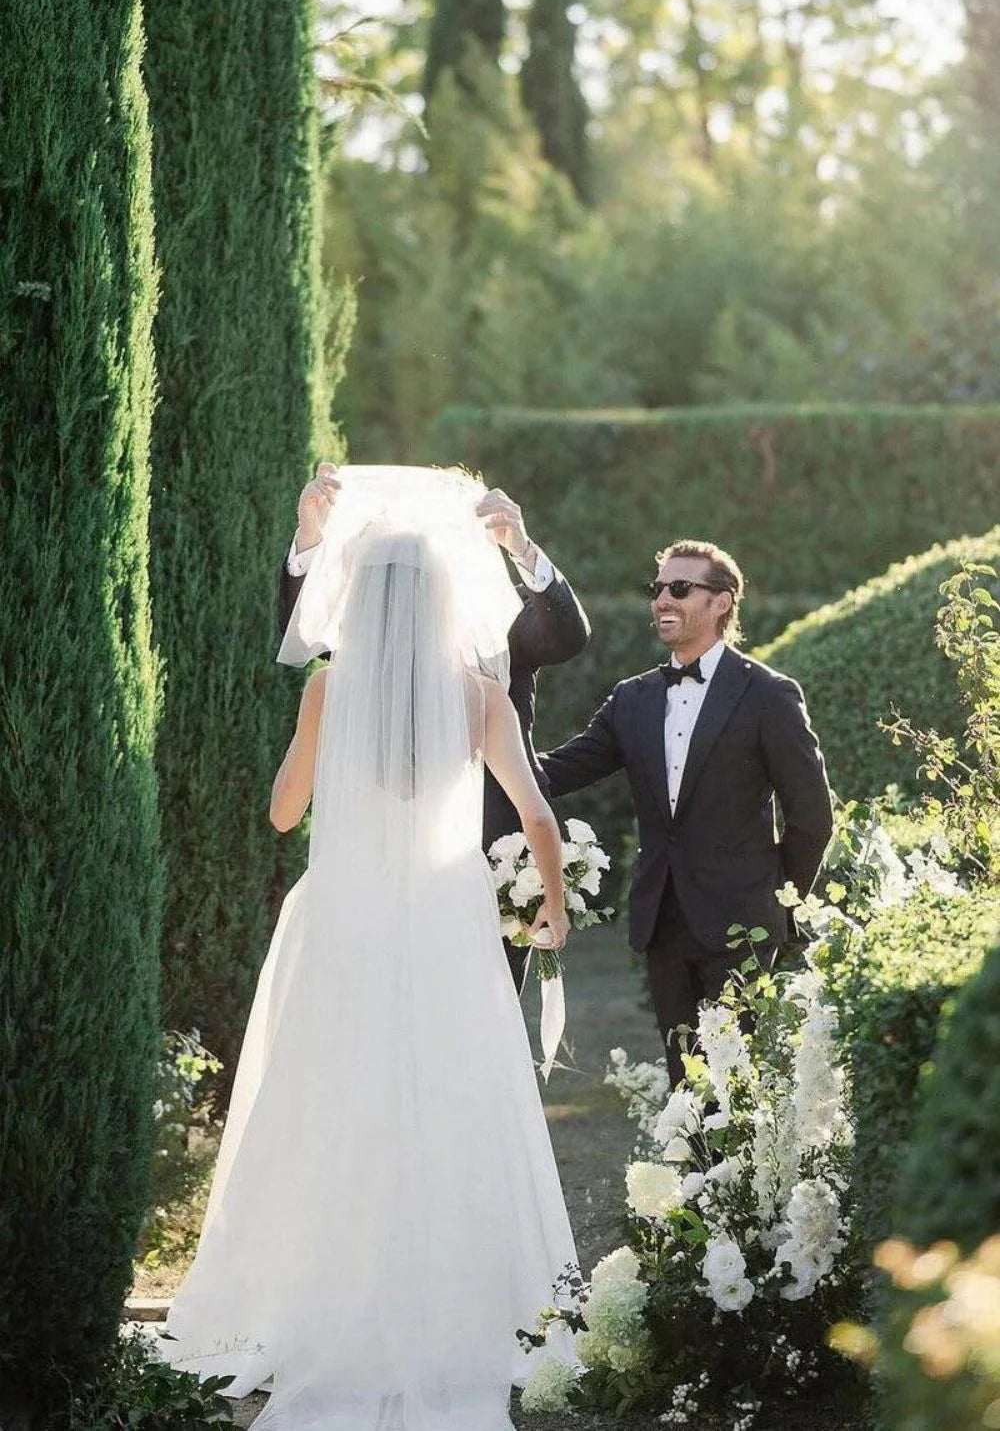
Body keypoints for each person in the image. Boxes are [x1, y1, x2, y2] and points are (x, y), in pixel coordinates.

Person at [161, 469, 578, 1431]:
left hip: (343, 920)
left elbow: (281, 814)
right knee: (449, 1097)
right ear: (444, 597)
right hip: (443, 920)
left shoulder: (327, 690)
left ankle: (314, 1297)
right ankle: (455, 1301)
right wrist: (551, 906)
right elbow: (538, 816)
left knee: (328, 1101)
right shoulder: (479, 696)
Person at [277, 464, 590, 993]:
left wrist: (522, 547)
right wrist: (309, 538)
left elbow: (566, 636)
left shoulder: (336, 685)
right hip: (453, 902)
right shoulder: (480, 693)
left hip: (396, 888)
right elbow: (302, 622)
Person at [540, 538, 834, 1089]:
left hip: (743, 922)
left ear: (722, 602)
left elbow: (813, 818)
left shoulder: (769, 695)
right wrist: (485, 756)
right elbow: (558, 770)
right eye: (657, 590)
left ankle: (740, 1179)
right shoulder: (633, 699)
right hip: (663, 922)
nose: (662, 601)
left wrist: (779, 903)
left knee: (734, 1080)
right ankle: (697, 1177)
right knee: (685, 1083)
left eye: (679, 588)